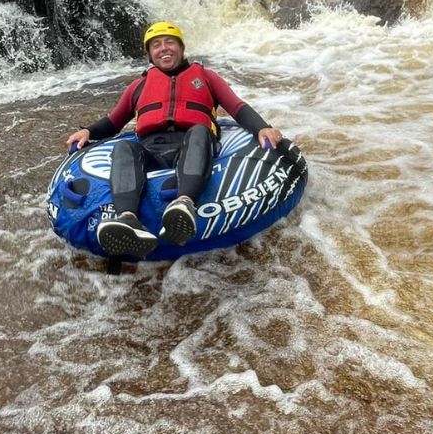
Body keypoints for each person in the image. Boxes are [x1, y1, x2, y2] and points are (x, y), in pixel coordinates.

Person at [66, 21, 282, 259]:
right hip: (151, 149)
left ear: (181, 48)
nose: (164, 48)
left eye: (170, 42)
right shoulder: (138, 86)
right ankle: (128, 219)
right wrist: (88, 131)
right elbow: (114, 122)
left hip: (193, 145)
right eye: (156, 45)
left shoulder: (206, 77)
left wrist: (261, 128)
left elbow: (237, 107)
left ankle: (184, 203)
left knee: (200, 130)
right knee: (124, 146)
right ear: (149, 54)